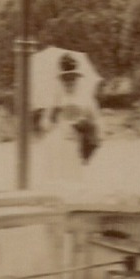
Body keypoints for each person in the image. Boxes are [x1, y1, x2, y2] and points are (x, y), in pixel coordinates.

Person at [35, 53, 98, 188]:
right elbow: (44, 125)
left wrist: (85, 123)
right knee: (56, 183)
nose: (69, 82)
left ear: (77, 77)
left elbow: (95, 121)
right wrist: (53, 116)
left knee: (74, 184)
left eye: (72, 78)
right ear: (61, 79)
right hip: (57, 145)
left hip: (76, 145)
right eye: (65, 78)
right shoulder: (56, 97)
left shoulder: (86, 97)